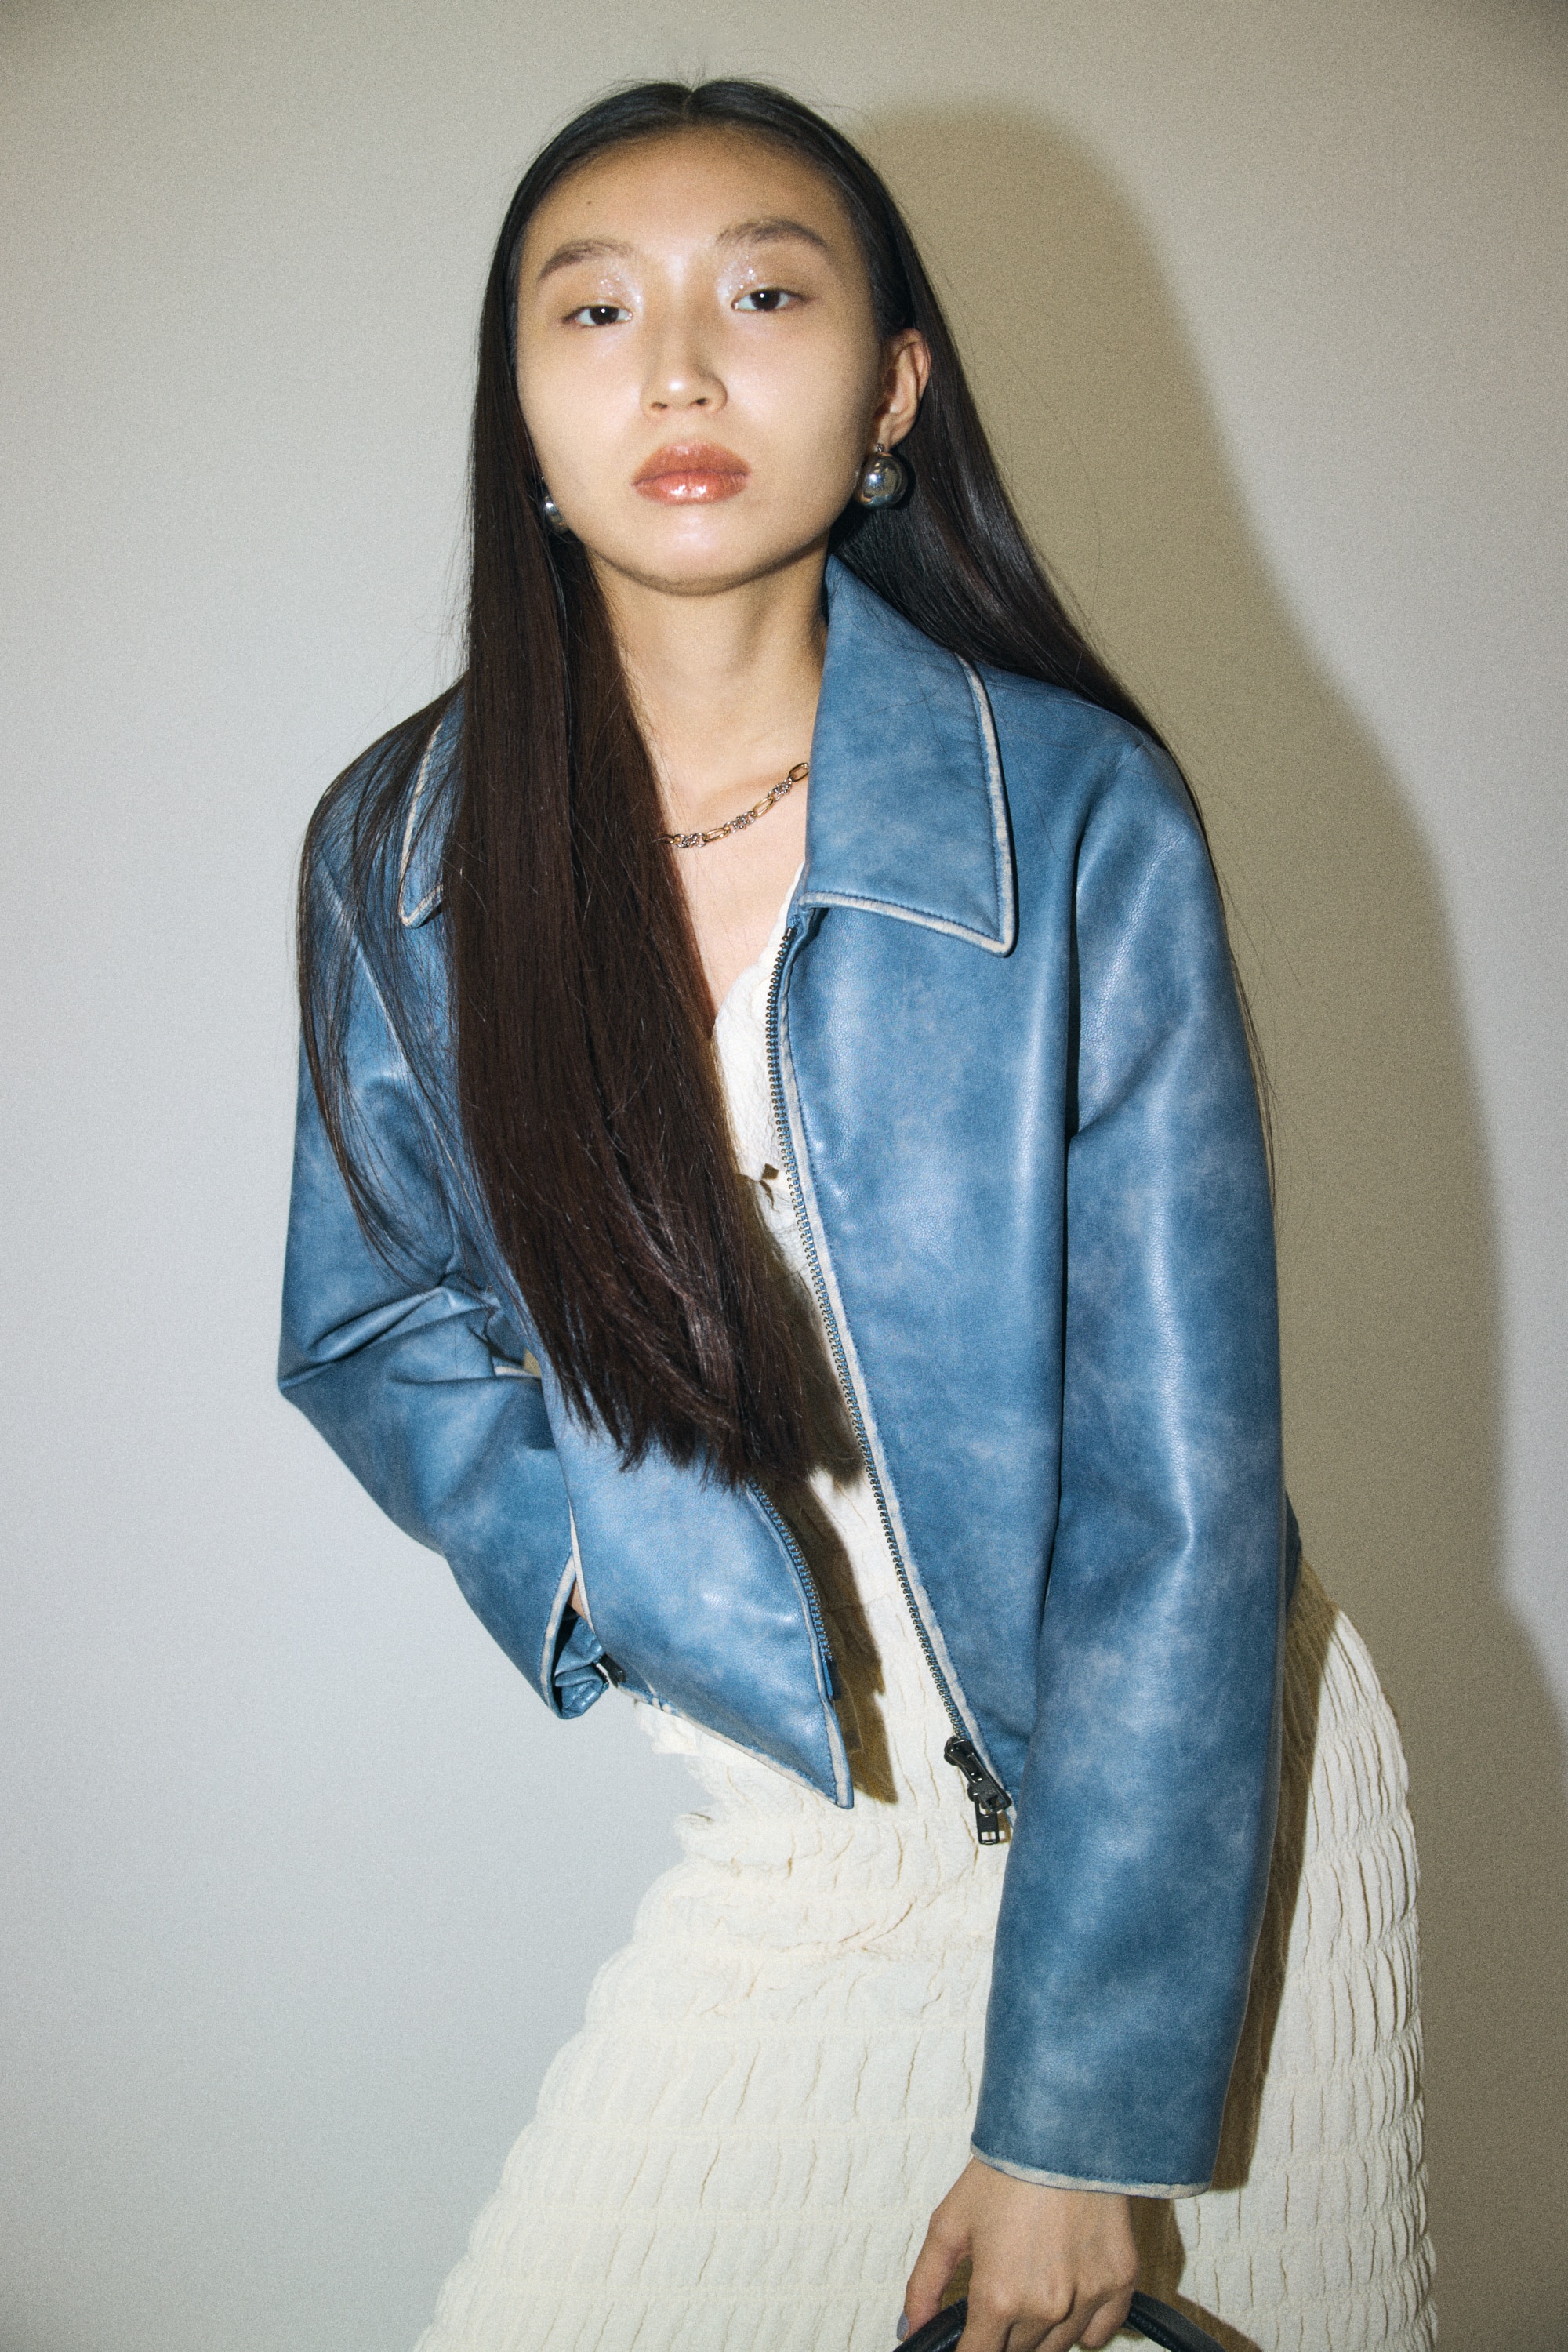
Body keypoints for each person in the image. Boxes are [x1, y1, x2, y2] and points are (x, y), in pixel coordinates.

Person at [279, 78, 1435, 2352]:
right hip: (796, 1849)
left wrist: (1082, 2122)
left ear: (894, 388)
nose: (677, 370)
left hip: (1176, 1846)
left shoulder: (1070, 814)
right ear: (520, 405)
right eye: (593, 309)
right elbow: (367, 1318)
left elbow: (1180, 1502)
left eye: (764, 296)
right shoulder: (401, 853)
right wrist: (604, 1573)